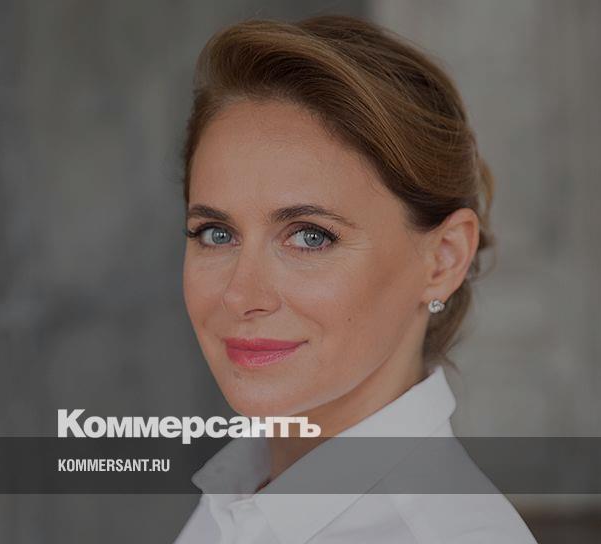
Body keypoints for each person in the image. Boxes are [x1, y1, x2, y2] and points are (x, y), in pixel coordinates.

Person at [173, 14, 538, 543]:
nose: (240, 295)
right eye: (215, 233)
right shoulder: (239, 498)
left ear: (443, 259)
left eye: (310, 237)